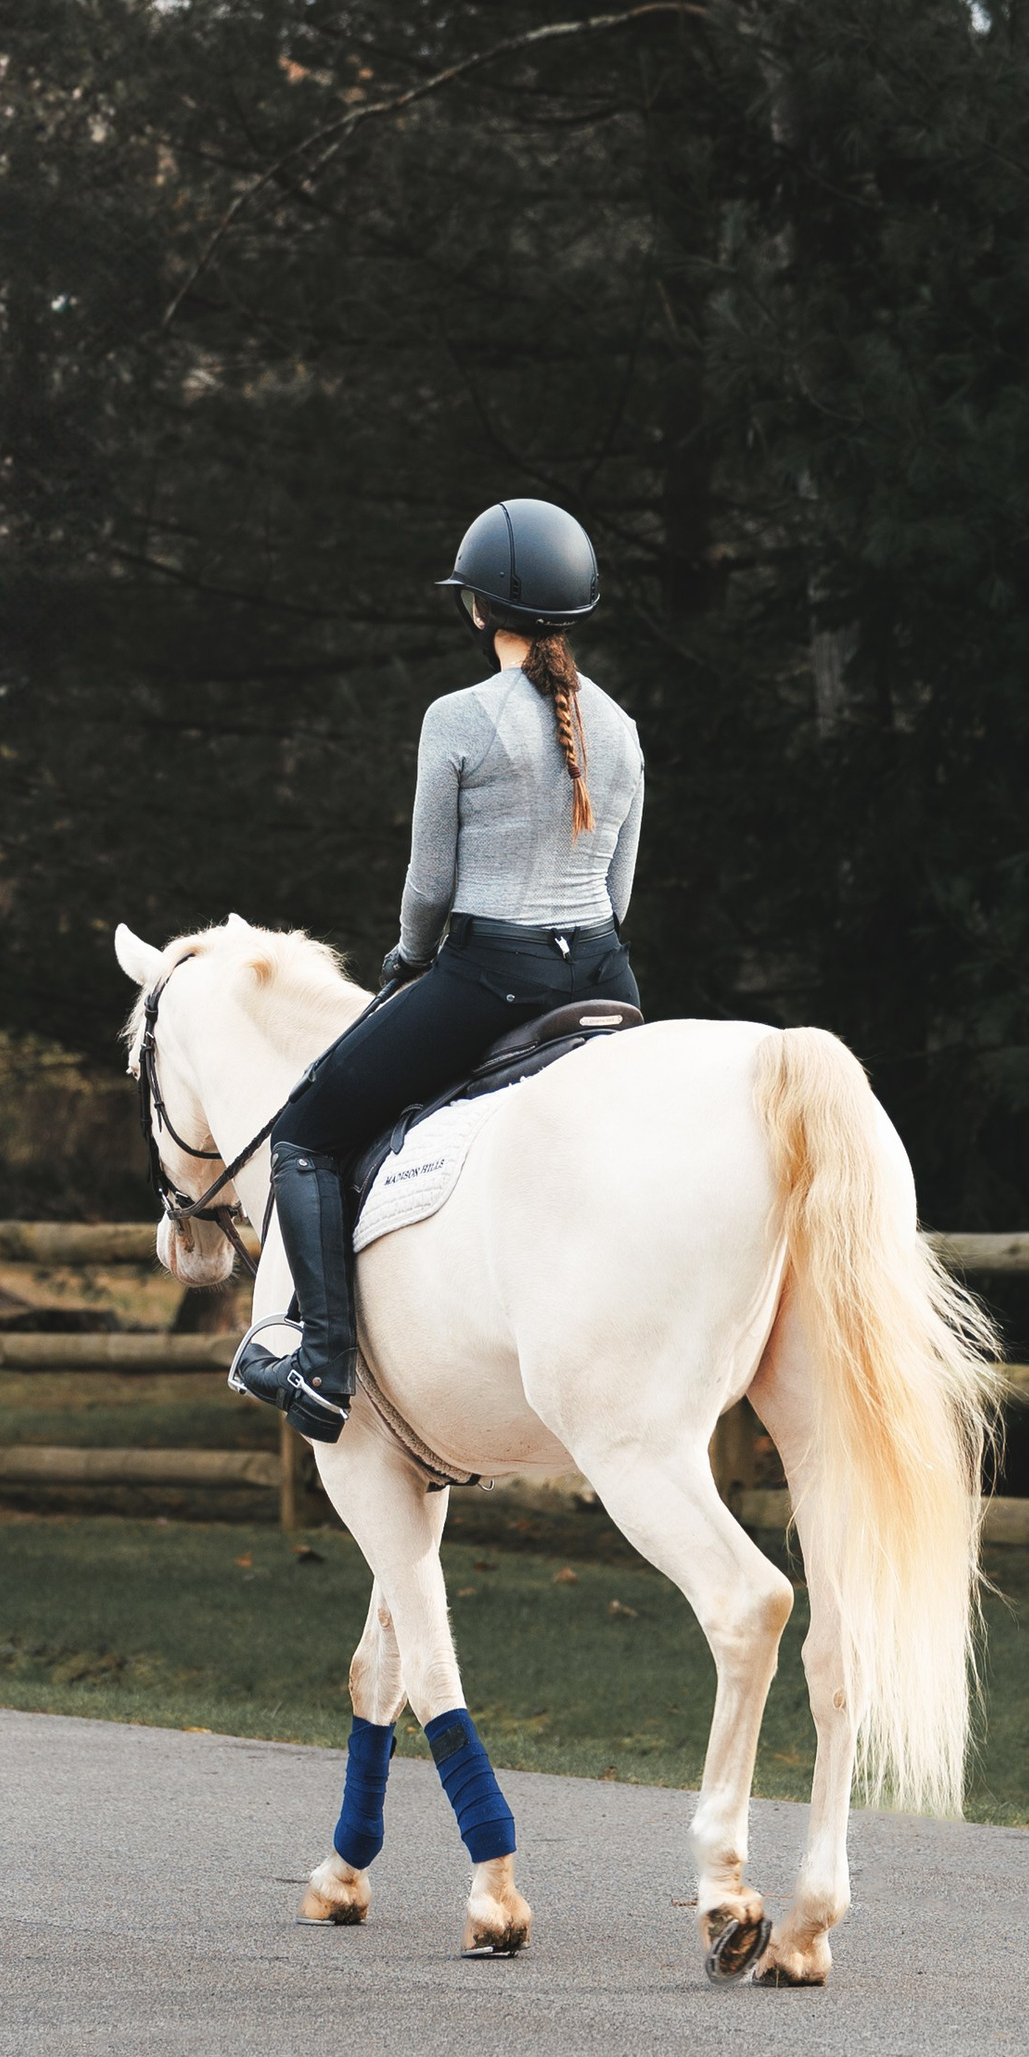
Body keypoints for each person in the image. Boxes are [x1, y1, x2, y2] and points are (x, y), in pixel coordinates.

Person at [230, 496, 644, 1444]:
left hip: (489, 976)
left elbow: (427, 888)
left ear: (476, 608)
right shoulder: (620, 729)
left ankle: (323, 1364)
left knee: (308, 1130)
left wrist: (409, 962)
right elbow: (619, 890)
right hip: (607, 981)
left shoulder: (457, 718)